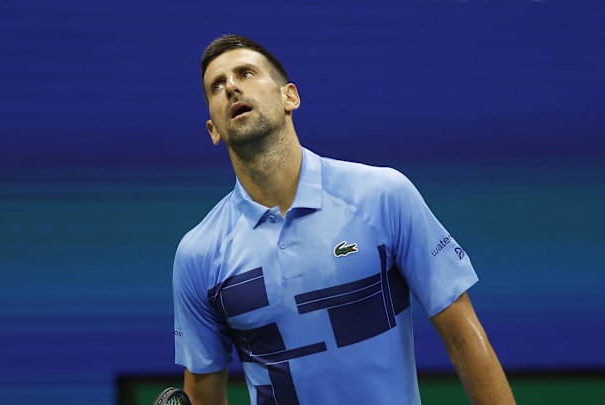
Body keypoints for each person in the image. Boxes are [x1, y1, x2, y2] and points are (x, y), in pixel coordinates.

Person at [172, 34, 515, 405]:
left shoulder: (383, 195)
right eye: (217, 86)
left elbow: (463, 337)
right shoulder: (199, 254)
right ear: (213, 130)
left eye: (246, 73)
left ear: (290, 97)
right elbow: (203, 397)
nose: (232, 88)